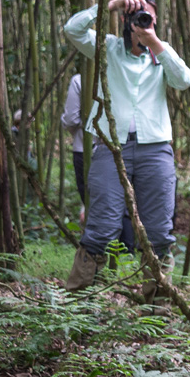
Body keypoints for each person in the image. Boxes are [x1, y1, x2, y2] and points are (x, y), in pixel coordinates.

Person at [63, 0, 190, 294]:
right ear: (125, 21)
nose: (142, 22)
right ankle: (77, 303)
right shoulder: (108, 47)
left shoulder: (162, 55)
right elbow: (72, 30)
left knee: (159, 231)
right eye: (137, 17)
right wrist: (113, 3)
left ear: (156, 23)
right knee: (101, 226)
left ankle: (157, 308)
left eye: (148, 17)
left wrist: (155, 44)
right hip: (111, 147)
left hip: (156, 148)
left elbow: (184, 80)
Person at [61, 73, 135, 255]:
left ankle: (97, 259)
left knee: (94, 204)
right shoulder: (121, 76)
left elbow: (70, 118)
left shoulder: (80, 79)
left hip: (85, 149)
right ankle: (125, 255)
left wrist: (82, 130)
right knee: (122, 204)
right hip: (118, 147)